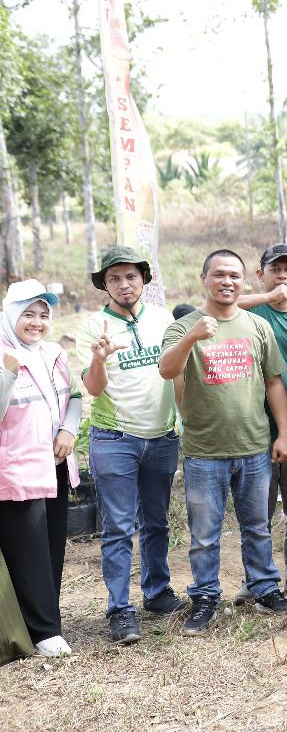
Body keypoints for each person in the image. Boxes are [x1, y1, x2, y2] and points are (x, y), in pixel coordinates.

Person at [158, 250, 287, 636]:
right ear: (203, 278)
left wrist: (282, 433)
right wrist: (192, 337)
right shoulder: (185, 326)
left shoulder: (256, 326)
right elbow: (167, 369)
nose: (227, 282)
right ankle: (205, 597)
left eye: (234, 276)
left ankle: (265, 587)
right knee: (205, 532)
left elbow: (274, 381)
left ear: (244, 281)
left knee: (258, 526)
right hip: (204, 452)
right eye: (219, 275)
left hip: (253, 446)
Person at [77, 247, 183, 645]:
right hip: (114, 438)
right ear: (104, 284)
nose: (124, 284)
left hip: (160, 437)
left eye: (131, 277)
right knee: (118, 528)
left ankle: (157, 593)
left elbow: (176, 369)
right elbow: (92, 387)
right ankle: (120, 610)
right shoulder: (93, 327)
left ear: (144, 279)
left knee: (156, 521)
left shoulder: (162, 318)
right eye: (115, 278)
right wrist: (100, 358)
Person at [231, 244, 287, 601]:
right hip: (256, 431)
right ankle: (256, 579)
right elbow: (221, 307)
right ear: (261, 274)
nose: (282, 276)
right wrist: (267, 296)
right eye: (275, 269)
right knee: (257, 513)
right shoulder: (251, 315)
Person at [0, 280, 82, 657]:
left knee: (50, 549)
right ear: (11, 314)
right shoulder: (3, 353)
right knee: (27, 551)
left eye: (43, 315)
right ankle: (43, 630)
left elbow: (75, 397)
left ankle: (48, 624)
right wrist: (8, 374)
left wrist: (68, 429)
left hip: (57, 465)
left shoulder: (53, 353)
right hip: (17, 468)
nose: (37, 322)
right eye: (28, 314)